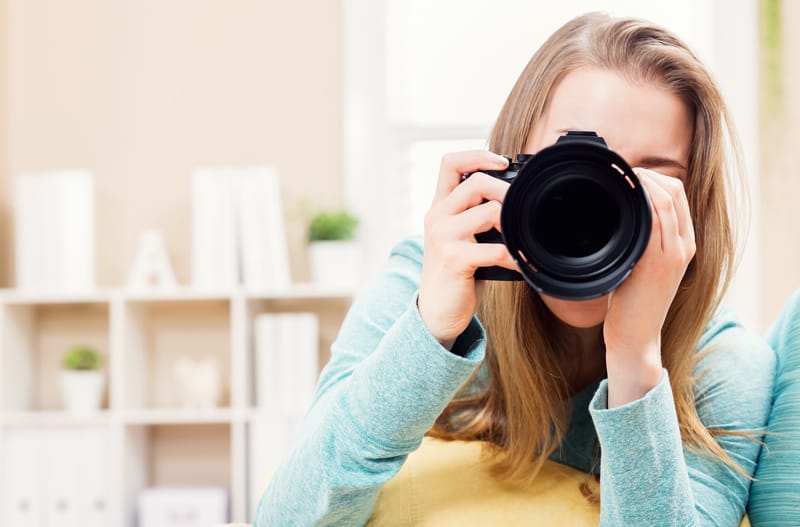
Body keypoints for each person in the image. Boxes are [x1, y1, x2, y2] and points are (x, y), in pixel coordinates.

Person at [254, 12, 775, 526]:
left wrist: (636, 360)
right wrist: (431, 332)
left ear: (695, 207)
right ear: (511, 167)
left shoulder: (720, 363)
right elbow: (288, 519)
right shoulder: (427, 277)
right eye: (574, 170)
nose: (599, 211)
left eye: (645, 183)